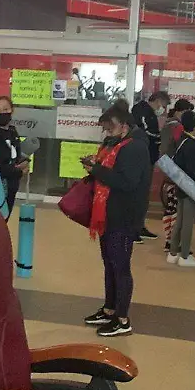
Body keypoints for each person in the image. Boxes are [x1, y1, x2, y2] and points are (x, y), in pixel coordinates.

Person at [82, 104, 152, 337]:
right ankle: (109, 309)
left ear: (124, 126)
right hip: (108, 214)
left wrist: (96, 170)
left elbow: (127, 182)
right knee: (110, 263)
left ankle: (122, 319)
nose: (106, 133)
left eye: (110, 129)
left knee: (120, 266)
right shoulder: (115, 145)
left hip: (124, 216)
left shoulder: (135, 148)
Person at [167, 111, 195, 268]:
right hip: (191, 186)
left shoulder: (181, 140)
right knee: (188, 222)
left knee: (180, 221)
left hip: (181, 184)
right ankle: (184, 255)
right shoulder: (192, 144)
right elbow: (193, 167)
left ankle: (173, 253)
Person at [131, 90, 170, 240]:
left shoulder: (150, 113)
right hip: (142, 158)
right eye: (164, 105)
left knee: (143, 195)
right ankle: (134, 228)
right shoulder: (141, 111)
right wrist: (159, 137)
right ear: (158, 100)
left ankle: (139, 226)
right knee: (138, 194)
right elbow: (145, 132)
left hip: (149, 157)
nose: (163, 109)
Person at [159, 99, 194, 253]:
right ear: (182, 111)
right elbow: (181, 147)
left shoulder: (167, 124)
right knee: (176, 208)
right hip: (175, 168)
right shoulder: (177, 127)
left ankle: (169, 240)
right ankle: (172, 241)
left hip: (166, 165)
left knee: (169, 206)